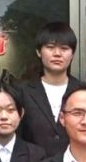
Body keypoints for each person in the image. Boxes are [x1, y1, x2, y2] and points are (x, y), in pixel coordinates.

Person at [18, 21, 79, 151]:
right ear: (39, 52)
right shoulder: (22, 92)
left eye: (64, 48)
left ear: (72, 54)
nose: (57, 53)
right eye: (50, 47)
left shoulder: (84, 91)